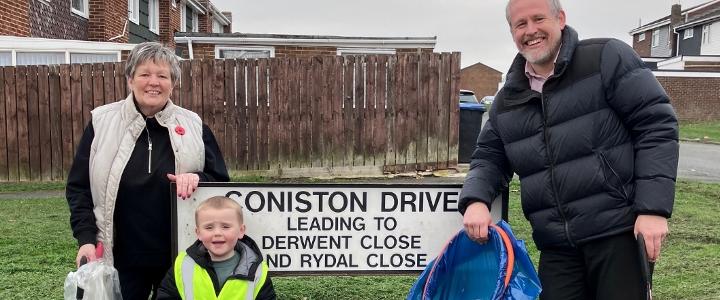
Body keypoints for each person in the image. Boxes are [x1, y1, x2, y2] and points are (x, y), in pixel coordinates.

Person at [459, 0, 679, 299]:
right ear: (512, 32)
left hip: (618, 234)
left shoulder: (605, 58)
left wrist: (652, 209)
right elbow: (488, 158)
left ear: (560, 18)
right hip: (556, 246)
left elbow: (656, 126)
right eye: (520, 24)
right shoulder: (507, 99)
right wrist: (475, 200)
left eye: (538, 19)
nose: (531, 30)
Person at [66, 42, 230, 299]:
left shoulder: (194, 126)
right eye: (144, 74)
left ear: (172, 83)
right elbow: (79, 188)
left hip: (179, 257)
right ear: (130, 79)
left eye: (162, 76)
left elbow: (221, 184)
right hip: (119, 258)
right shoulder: (101, 122)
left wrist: (197, 178)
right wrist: (86, 238)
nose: (153, 82)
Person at [157, 196, 276, 299]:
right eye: (209, 227)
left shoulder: (257, 271)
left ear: (241, 231)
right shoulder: (183, 265)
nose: (217, 233)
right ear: (198, 233)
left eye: (225, 226)